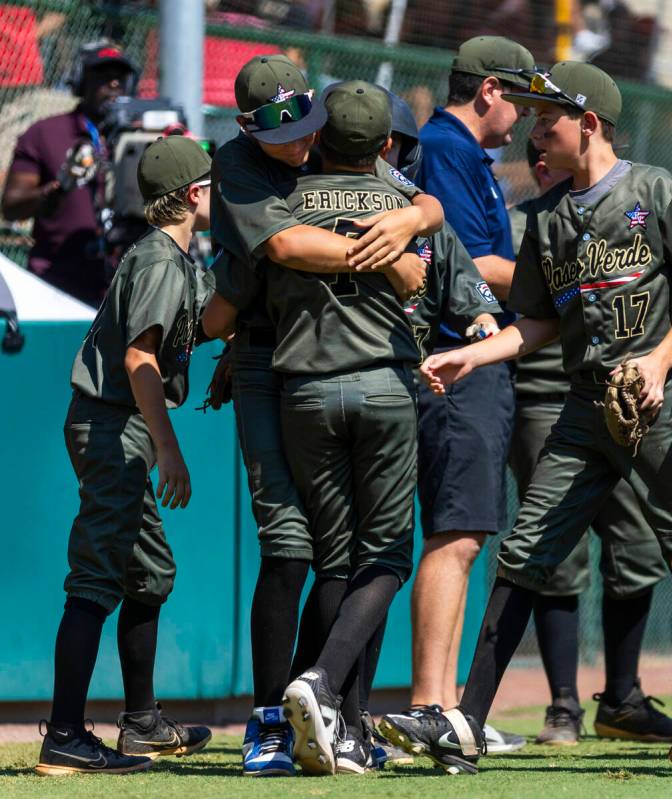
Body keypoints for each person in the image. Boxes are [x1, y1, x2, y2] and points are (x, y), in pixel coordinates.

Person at [381, 61, 672, 778]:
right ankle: (466, 722)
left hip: (655, 408)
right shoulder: (542, 218)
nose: (535, 133)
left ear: (588, 123)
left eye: (548, 119)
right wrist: (470, 357)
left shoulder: (651, 188)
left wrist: (662, 361)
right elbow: (536, 321)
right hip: (583, 409)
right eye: (533, 118)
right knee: (524, 550)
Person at [201, 54, 443, 777]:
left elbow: (422, 205)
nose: (300, 144)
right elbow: (280, 246)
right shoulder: (240, 161)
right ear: (248, 125)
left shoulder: (327, 156)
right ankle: (269, 721)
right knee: (290, 548)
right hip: (263, 361)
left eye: (307, 125)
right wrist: (385, 257)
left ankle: (332, 711)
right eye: (284, 133)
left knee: (337, 552)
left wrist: (414, 216)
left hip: (308, 364)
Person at [35, 136, 214, 776]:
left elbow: (206, 318)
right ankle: (63, 735)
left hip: (115, 423)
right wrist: (169, 448)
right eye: (212, 183)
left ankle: (140, 723)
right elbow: (141, 359)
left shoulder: (169, 255)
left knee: (150, 570)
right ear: (195, 193)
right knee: (96, 577)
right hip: (116, 424)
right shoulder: (162, 260)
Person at [509, 141, 672, 745]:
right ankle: (560, 707)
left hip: (625, 396)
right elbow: (491, 274)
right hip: (545, 394)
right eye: (534, 152)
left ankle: (624, 699)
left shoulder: (636, 200)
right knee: (553, 555)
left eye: (549, 145)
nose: (542, 160)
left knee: (636, 548)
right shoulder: (532, 218)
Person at [397, 35, 534, 754]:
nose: (527, 111)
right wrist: (566, 280)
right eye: (521, 93)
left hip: (471, 359)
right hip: (455, 359)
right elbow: (470, 260)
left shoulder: (462, 152)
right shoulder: (446, 149)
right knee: (455, 534)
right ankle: (429, 703)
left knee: (464, 534)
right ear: (488, 90)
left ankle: (444, 707)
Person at [2, 41, 138, 307]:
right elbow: (11, 206)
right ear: (80, 81)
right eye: (103, 76)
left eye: (119, 79)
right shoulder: (46, 132)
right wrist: (57, 189)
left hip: (123, 285)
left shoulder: (141, 136)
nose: (113, 85)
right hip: (57, 284)